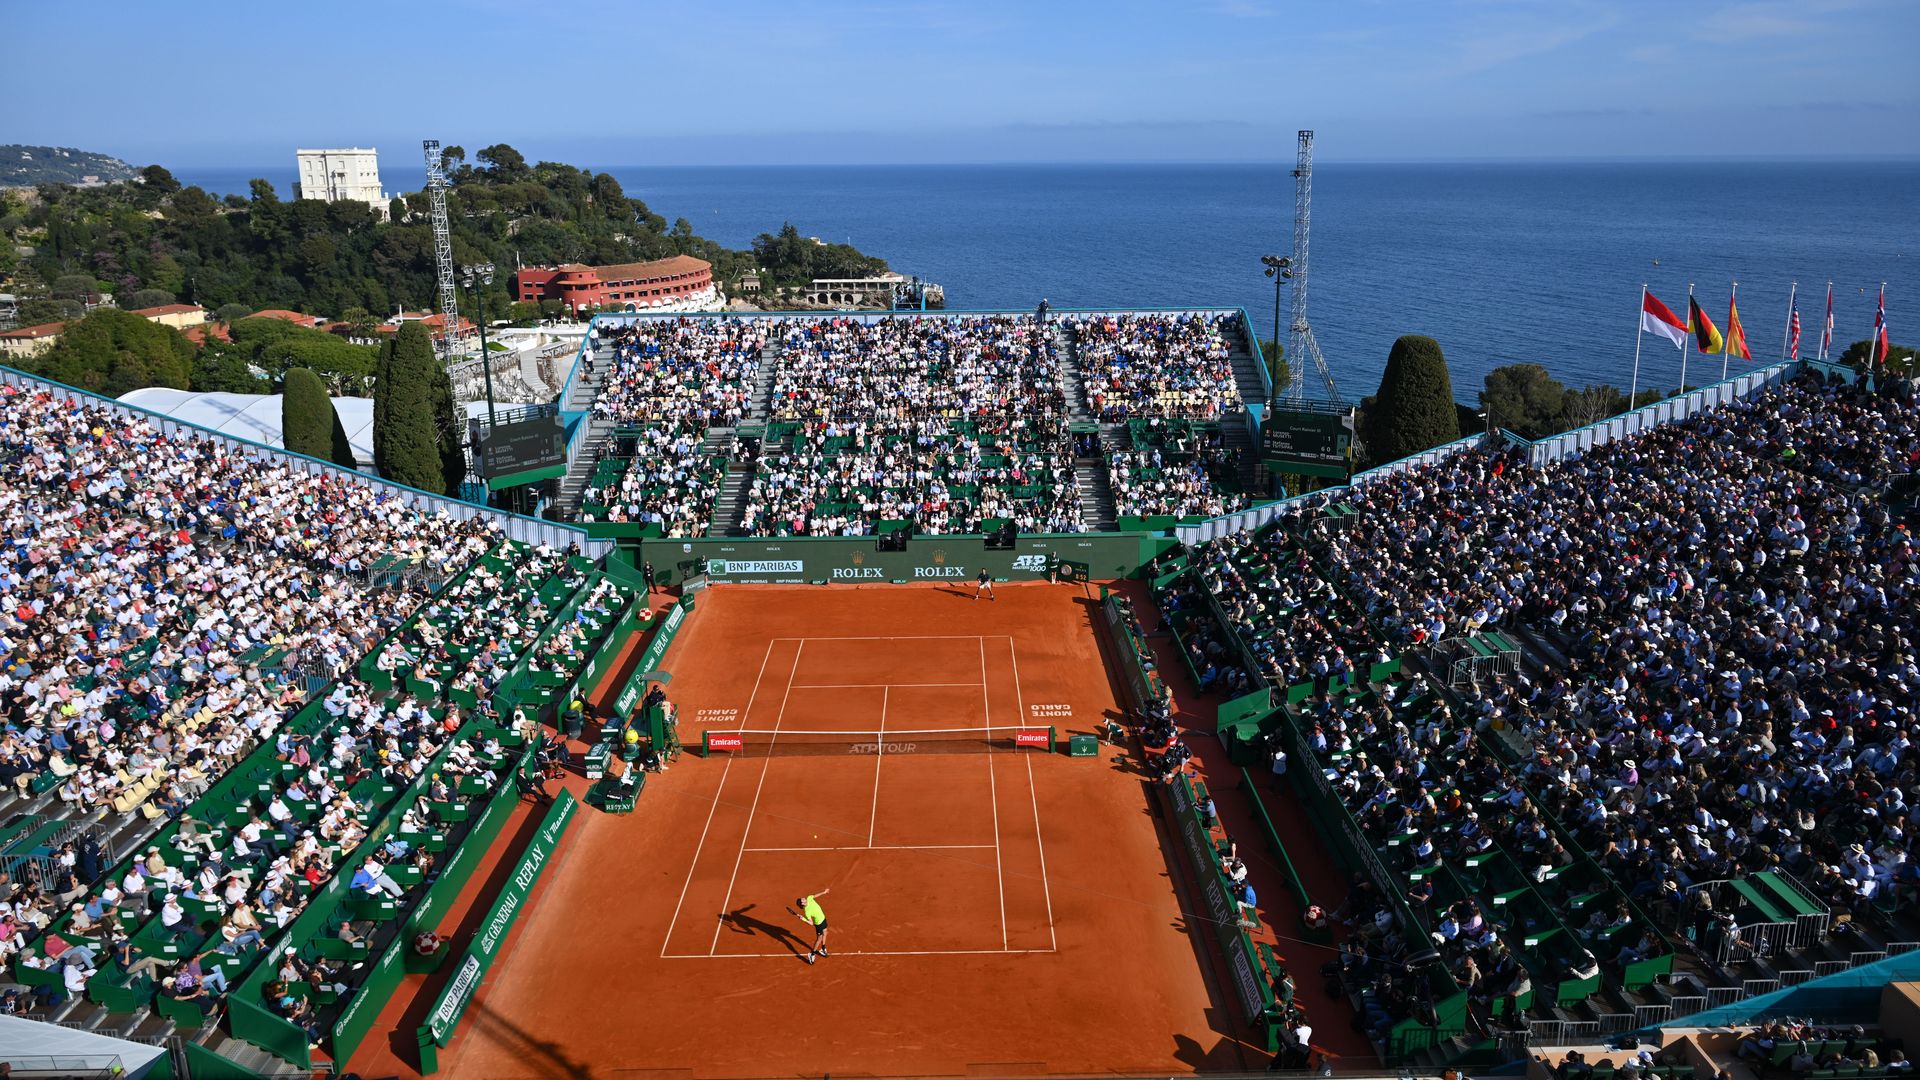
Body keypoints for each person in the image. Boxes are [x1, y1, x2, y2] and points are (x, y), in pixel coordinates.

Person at [796, 888, 831, 965]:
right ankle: (812, 954)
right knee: (819, 939)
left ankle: (823, 948)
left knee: (825, 932)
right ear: (802, 904)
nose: (804, 898)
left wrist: (824, 892)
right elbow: (811, 923)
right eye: (803, 900)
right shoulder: (807, 911)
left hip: (823, 918)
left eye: (803, 898)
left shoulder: (809, 898)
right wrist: (804, 919)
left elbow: (815, 896)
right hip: (818, 924)